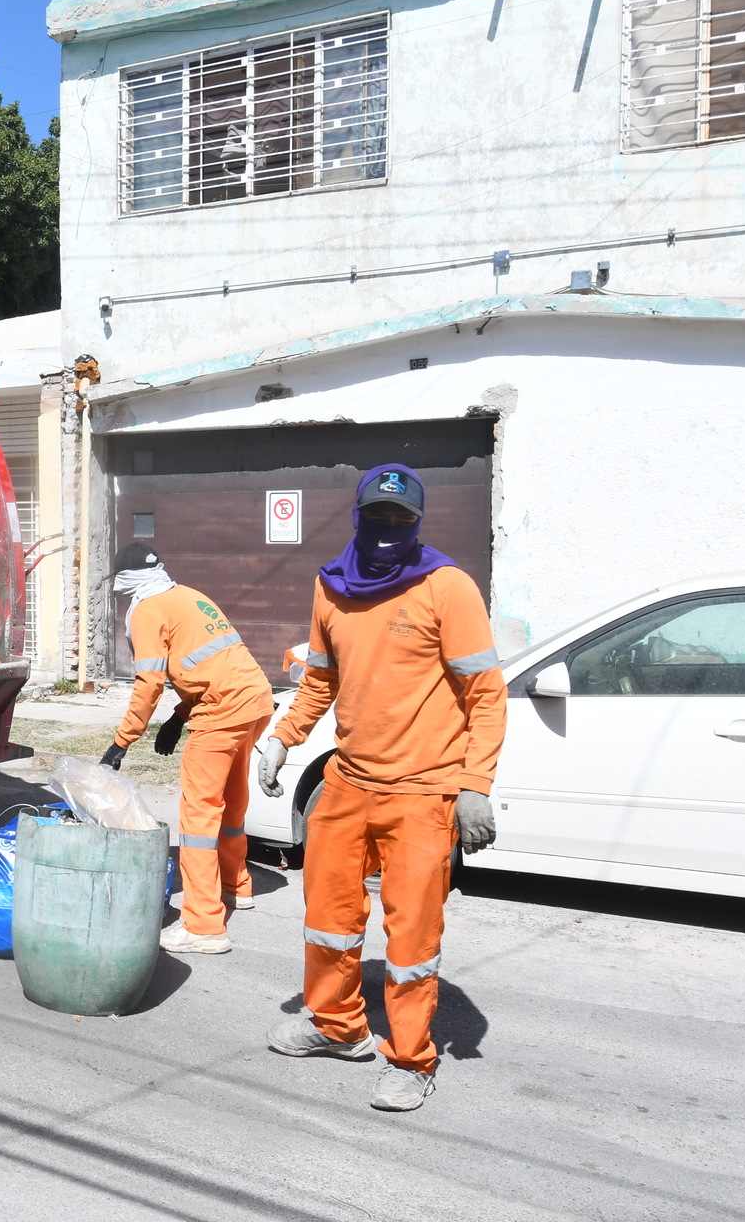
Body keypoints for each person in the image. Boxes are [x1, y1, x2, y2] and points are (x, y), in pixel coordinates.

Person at [258, 464, 504, 1112]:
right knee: (328, 919)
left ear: (417, 522)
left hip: (424, 793)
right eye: (379, 515)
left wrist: (474, 785)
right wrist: (284, 738)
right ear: (359, 516)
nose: (389, 527)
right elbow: (318, 681)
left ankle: (412, 1058)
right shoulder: (331, 588)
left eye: (402, 518)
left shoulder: (447, 587)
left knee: (412, 935)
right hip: (347, 782)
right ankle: (337, 1026)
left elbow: (486, 694)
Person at [101, 542, 275, 955]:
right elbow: (211, 664)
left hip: (221, 712)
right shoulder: (190, 596)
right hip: (254, 700)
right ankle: (236, 886)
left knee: (198, 819)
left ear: (124, 581)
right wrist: (180, 716)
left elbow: (149, 682)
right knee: (231, 805)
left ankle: (202, 925)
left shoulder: (146, 610)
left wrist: (121, 741)